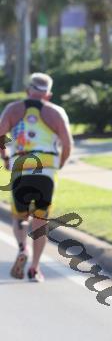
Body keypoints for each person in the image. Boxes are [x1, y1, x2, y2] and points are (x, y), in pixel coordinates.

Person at [0, 72, 73, 281]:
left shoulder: (12, 109)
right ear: (48, 95)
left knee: (20, 216)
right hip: (46, 171)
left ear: (27, 91)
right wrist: (60, 163)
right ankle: (34, 268)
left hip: (21, 167)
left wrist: (5, 157)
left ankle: (22, 248)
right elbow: (67, 144)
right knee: (40, 220)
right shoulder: (56, 112)